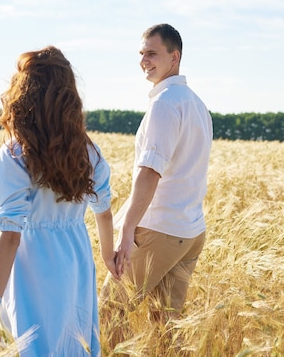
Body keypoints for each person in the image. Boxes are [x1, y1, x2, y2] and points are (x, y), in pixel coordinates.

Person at [0, 46, 117, 356]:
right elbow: (103, 212)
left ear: (23, 94)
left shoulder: (14, 155)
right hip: (77, 260)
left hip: (33, 264)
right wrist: (107, 255)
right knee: (72, 344)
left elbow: (10, 236)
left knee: (33, 345)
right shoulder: (89, 152)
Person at [100, 23, 213, 346]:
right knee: (168, 329)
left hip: (160, 230)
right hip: (190, 232)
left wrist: (126, 231)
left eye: (152, 53)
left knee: (109, 314)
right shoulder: (197, 104)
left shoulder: (164, 104)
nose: (143, 61)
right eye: (141, 53)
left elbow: (150, 173)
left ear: (174, 57)